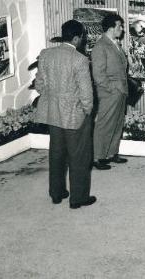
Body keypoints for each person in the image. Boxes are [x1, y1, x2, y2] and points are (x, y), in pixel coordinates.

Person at [34, 20, 97, 209]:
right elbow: (86, 93)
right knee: (79, 157)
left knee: (57, 153)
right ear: (76, 38)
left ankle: (57, 193)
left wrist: (54, 98)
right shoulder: (79, 59)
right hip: (74, 115)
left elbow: (39, 85)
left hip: (53, 113)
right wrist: (87, 111)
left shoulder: (46, 54)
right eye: (82, 37)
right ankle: (78, 199)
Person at [92, 13, 129, 170]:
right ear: (111, 28)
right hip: (110, 92)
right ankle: (97, 157)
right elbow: (98, 75)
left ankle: (111, 153)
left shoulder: (115, 43)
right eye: (119, 26)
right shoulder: (100, 46)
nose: (122, 29)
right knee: (104, 124)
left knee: (117, 123)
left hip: (120, 91)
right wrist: (112, 89)